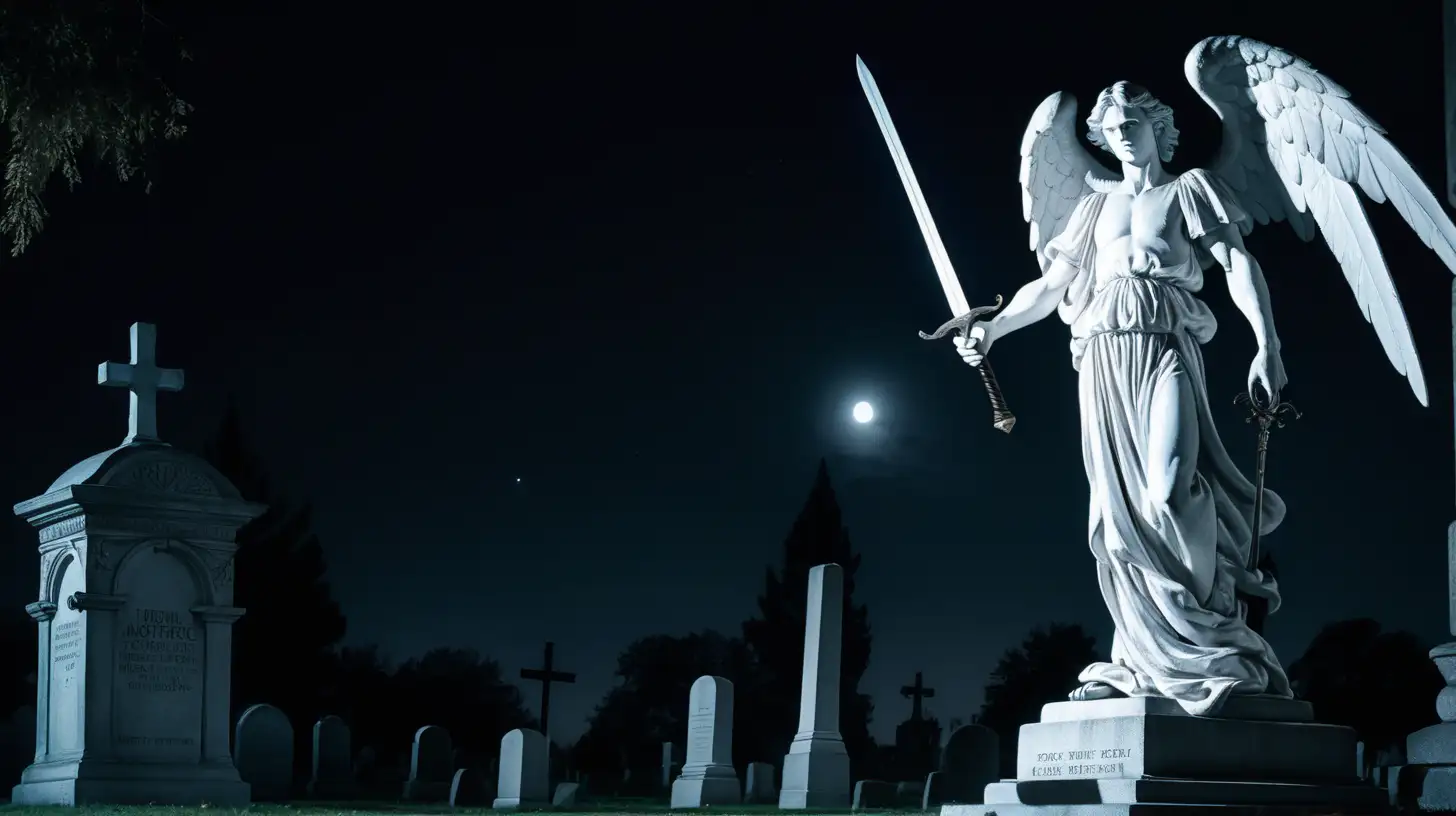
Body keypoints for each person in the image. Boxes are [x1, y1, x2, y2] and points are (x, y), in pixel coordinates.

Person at [954, 81, 1292, 715]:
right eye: (1110, 129)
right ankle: (1140, 655)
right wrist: (992, 329)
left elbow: (1237, 263)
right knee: (1117, 518)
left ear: (1158, 129)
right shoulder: (1092, 206)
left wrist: (1266, 346)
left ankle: (1200, 635)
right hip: (1104, 358)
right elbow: (1052, 286)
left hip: (1165, 348)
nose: (1121, 135)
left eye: (1132, 123)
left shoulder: (1187, 189)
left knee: (1167, 489)